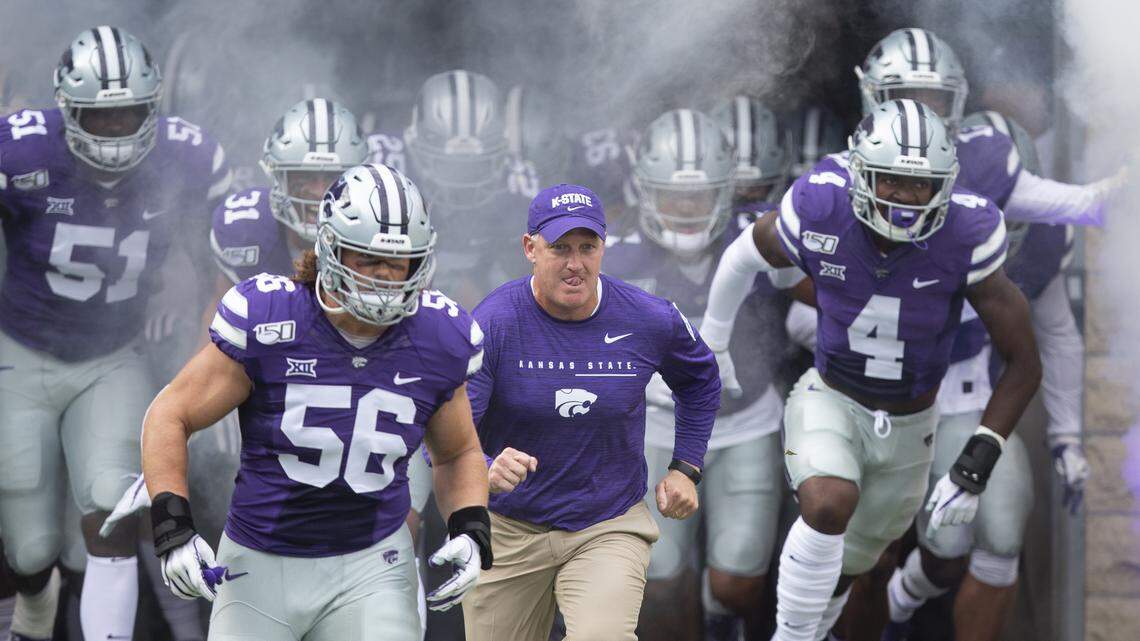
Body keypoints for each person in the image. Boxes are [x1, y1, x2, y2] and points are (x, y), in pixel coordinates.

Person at [701, 99, 1042, 641]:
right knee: (828, 503)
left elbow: (1024, 362)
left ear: (946, 186)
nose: (905, 198)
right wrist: (714, 341)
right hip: (830, 398)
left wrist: (975, 463)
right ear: (861, 174)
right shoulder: (822, 202)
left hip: (911, 426)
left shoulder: (968, 230)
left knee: (851, 569)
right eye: (891, 181)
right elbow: (745, 253)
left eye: (920, 185)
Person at [141, 163, 491, 640]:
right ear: (331, 248)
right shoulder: (271, 318)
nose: (388, 276)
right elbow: (170, 412)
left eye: (401, 261)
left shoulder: (439, 335)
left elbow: (458, 452)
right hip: (260, 561)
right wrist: (172, 525)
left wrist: (470, 524)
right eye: (369, 259)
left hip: (373, 564)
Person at [0, 26, 230, 641]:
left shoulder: (186, 157)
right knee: (28, 548)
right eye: (99, 118)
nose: (115, 131)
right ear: (66, 110)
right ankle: (36, 603)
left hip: (111, 356)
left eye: (129, 114)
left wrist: (203, 318)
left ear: (153, 107)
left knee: (113, 511)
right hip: (19, 350)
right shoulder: (19, 152)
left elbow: (220, 260)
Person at [461, 183, 720, 641]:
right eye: (560, 248)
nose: (575, 263)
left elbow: (700, 379)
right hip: (508, 528)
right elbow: (447, 430)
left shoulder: (647, 317)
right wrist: (483, 468)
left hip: (608, 522)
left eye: (588, 247)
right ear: (530, 248)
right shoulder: (494, 322)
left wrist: (686, 468)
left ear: (605, 247)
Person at [879, 112, 1088, 641]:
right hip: (886, 404)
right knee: (903, 547)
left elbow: (1058, 335)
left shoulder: (1041, 243)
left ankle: (902, 600)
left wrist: (1066, 434)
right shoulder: (907, 223)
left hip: (971, 401)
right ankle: (892, 606)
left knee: (999, 532)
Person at [607, 106, 789, 641]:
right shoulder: (611, 255)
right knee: (659, 578)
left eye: (699, 194)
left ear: (728, 189)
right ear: (643, 189)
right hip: (655, 430)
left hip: (744, 422)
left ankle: (720, 623)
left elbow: (825, 298)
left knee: (737, 579)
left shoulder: (763, 236)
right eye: (673, 194)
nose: (686, 207)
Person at [403, 69, 530, 308]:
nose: (460, 180)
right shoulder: (393, 180)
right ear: (413, 144)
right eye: (448, 164)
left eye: (474, 167)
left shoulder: (517, 188)